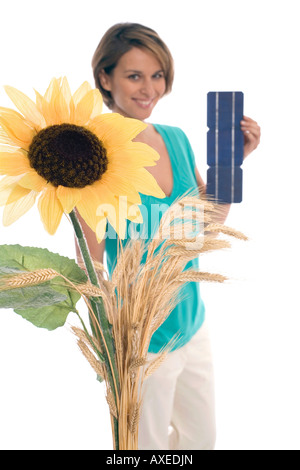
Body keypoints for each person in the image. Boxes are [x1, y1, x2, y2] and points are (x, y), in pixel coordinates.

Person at [79, 22, 261, 450]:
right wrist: (109, 341)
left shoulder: (175, 141)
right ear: (105, 78)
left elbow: (205, 227)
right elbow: (89, 257)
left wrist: (234, 162)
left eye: (157, 75)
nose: (149, 89)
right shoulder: (90, 154)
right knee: (142, 450)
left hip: (191, 323)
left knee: (200, 442)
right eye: (134, 75)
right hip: (140, 339)